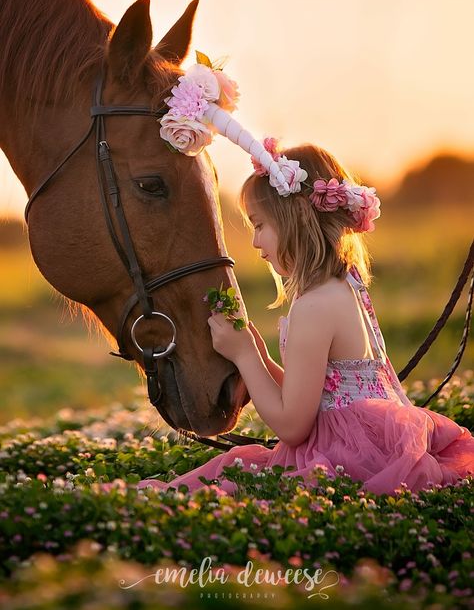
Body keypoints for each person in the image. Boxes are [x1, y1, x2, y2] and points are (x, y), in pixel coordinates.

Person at [136, 140, 474, 497]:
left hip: (346, 458)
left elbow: (293, 426)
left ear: (294, 219)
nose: (254, 241)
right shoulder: (346, 286)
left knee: (236, 479)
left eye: (259, 224)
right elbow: (317, 394)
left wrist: (245, 357)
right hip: (365, 448)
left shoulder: (312, 308)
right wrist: (262, 359)